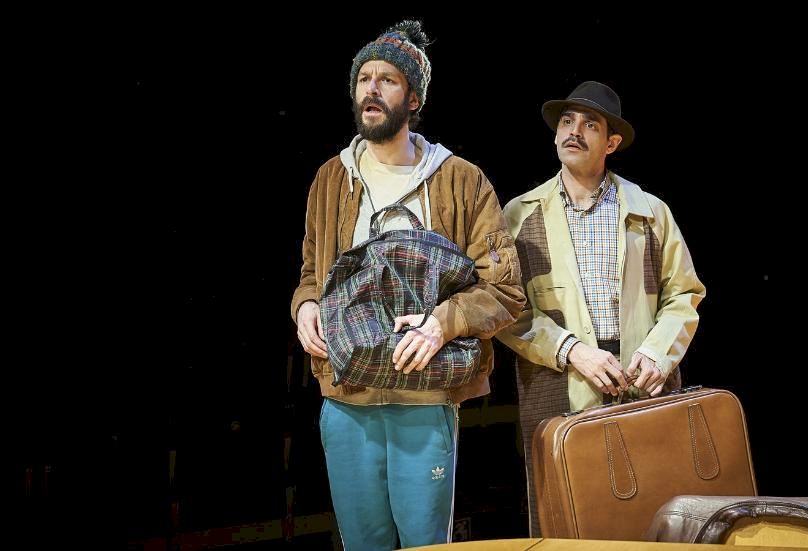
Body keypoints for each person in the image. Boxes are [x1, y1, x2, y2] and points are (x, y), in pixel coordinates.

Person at [290, 20, 524, 550]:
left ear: (413, 98)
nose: (371, 89)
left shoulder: (461, 180)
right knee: (362, 542)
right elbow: (310, 273)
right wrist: (305, 306)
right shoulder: (331, 178)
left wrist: (441, 323)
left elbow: (505, 290)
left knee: (424, 542)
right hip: (346, 393)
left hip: (424, 392)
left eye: (387, 80)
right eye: (363, 79)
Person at [496, 80, 706, 536]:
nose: (574, 131)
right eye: (566, 122)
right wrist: (573, 350)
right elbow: (507, 308)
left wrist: (657, 354)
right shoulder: (519, 215)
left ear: (611, 143)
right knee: (568, 519)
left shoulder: (650, 212)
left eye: (590, 124)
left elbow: (684, 294)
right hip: (560, 384)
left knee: (653, 513)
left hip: (641, 383)